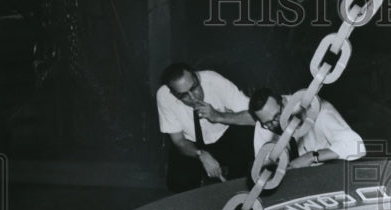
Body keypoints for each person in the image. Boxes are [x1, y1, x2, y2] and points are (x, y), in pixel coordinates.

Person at [156, 63, 255, 191]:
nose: (193, 97)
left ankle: (237, 187)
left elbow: (254, 117)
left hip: (226, 138)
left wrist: (219, 116)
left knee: (246, 134)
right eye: (184, 95)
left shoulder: (214, 80)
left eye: (194, 87)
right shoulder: (164, 95)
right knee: (179, 182)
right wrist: (200, 154)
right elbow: (179, 141)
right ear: (174, 94)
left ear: (197, 77)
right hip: (193, 144)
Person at [248, 88, 366, 174]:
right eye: (268, 123)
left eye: (277, 116)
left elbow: (356, 147)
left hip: (333, 173)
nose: (275, 124)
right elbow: (262, 168)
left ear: (284, 102)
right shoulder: (263, 125)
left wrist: (311, 156)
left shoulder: (317, 111)